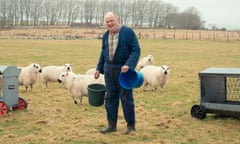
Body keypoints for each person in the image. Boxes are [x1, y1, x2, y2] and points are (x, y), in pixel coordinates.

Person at [94, 11, 141, 135]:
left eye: (111, 20)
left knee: (126, 99)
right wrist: (98, 68)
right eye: (107, 21)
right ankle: (111, 125)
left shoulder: (128, 33)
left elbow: (136, 50)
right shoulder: (105, 36)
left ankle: (131, 126)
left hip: (123, 72)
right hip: (109, 71)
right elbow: (103, 53)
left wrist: (129, 65)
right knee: (110, 99)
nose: (110, 23)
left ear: (117, 20)